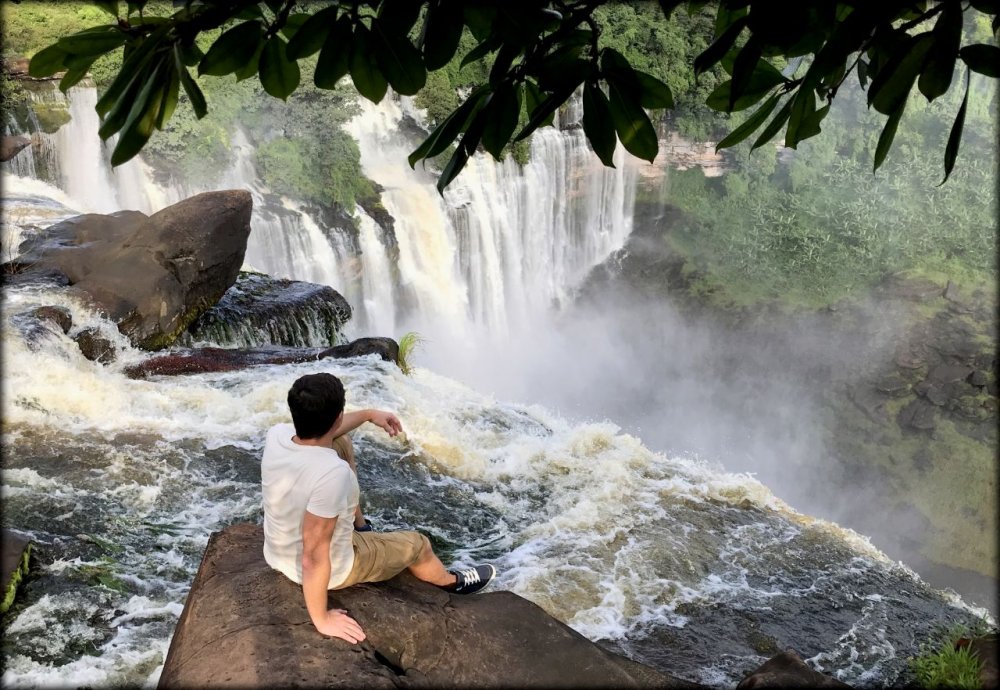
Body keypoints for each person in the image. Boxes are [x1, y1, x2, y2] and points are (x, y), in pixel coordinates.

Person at [261, 372, 497, 643]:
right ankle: (451, 583)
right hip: (331, 568)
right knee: (418, 545)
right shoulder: (331, 474)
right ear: (338, 416)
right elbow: (313, 555)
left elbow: (328, 432)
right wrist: (322, 619)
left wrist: (369, 415)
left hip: (276, 550)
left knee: (341, 442)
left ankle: (362, 526)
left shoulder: (277, 435)